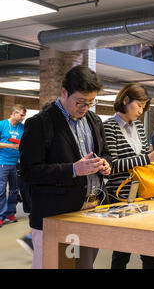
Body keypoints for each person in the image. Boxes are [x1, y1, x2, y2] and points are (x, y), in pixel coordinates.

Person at [19, 65, 112, 269]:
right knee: (56, 264)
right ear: (64, 93)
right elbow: (28, 171)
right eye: (80, 102)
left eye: (90, 102)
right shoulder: (41, 123)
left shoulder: (94, 120)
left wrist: (105, 164)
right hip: (56, 214)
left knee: (84, 265)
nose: (85, 107)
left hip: (91, 209)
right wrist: (73, 170)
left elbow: (106, 153)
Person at [103, 83, 154, 269]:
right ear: (125, 100)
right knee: (122, 250)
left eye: (144, 107)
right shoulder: (109, 127)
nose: (141, 111)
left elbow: (143, 160)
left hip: (143, 191)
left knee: (148, 248)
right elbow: (113, 165)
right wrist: (147, 157)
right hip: (120, 194)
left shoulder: (140, 127)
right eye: (139, 105)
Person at [0, 105, 26, 227]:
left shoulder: (22, 128)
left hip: (16, 163)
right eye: (21, 115)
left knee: (14, 190)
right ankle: (1, 215)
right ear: (14, 113)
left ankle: (10, 213)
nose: (23, 117)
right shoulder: (2, 125)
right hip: (2, 163)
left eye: (24, 115)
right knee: (1, 190)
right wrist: (11, 146)